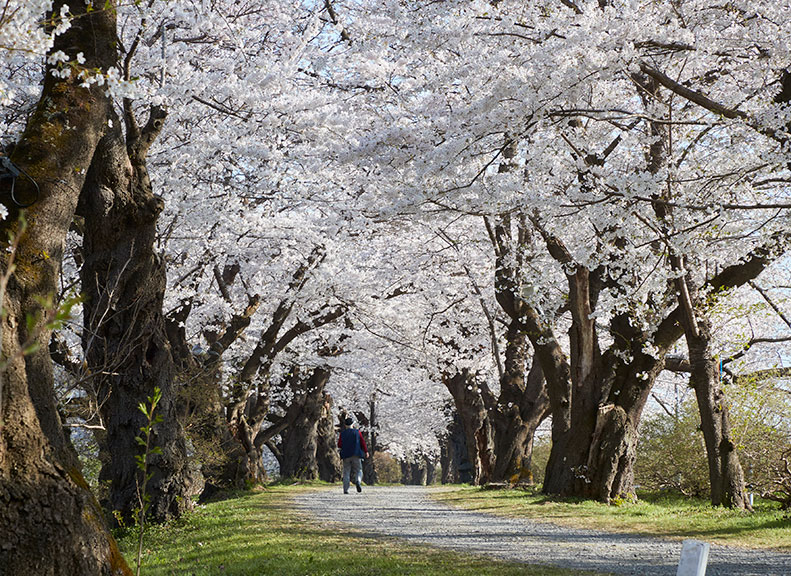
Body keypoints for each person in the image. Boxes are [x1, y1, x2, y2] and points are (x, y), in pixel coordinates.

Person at [337, 416, 369, 494]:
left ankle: (346, 489)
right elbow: (362, 442)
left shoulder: (342, 433)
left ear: (345, 425)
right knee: (359, 470)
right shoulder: (357, 432)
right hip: (356, 454)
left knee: (346, 472)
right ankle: (358, 481)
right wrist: (366, 451)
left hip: (346, 455)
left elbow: (339, 444)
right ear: (352, 424)